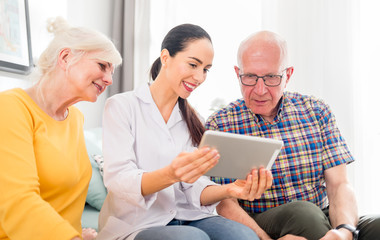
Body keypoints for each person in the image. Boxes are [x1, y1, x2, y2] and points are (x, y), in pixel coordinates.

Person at [96, 23, 273, 240]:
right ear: (165, 57)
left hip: (189, 216)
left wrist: (230, 189)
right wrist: (170, 174)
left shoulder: (194, 119)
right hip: (138, 223)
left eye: (205, 69)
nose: (199, 77)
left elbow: (194, 188)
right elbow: (119, 179)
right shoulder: (121, 107)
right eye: (192, 64)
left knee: (243, 237)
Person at [205, 30, 380, 240]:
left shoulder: (316, 111)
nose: (260, 90)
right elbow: (224, 203)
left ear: (287, 75)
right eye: (250, 77)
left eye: (271, 77)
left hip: (322, 215)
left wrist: (344, 231)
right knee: (304, 215)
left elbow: (339, 184)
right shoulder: (220, 124)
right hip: (263, 222)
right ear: (237, 73)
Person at [0, 17, 122, 240]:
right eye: (102, 66)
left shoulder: (75, 118)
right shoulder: (10, 108)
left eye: (112, 71)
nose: (109, 79)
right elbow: (18, 201)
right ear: (65, 58)